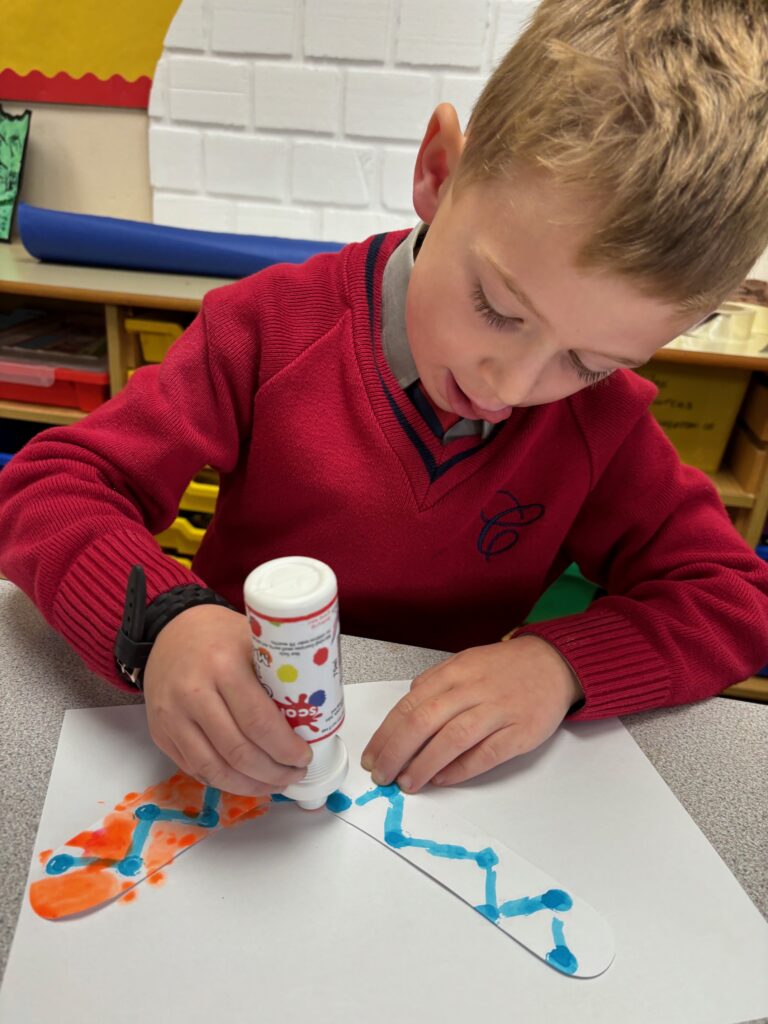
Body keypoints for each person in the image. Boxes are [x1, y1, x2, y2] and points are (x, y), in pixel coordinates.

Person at [1, 0, 767, 801]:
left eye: (587, 361)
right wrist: (161, 627)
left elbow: (731, 601)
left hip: (418, 777)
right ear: (439, 173)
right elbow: (46, 488)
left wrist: (559, 665)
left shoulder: (601, 424)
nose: (509, 387)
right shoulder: (267, 330)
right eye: (498, 308)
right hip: (233, 727)